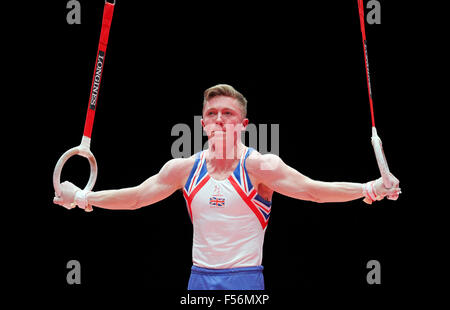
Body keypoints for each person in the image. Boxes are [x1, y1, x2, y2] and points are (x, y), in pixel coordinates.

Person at [53, 84, 401, 290]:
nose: (220, 119)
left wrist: (369, 187)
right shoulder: (183, 168)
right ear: (203, 123)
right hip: (197, 279)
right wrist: (84, 197)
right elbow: (136, 198)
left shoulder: (260, 166)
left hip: (246, 280)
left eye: (228, 114)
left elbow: (313, 190)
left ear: (244, 124)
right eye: (213, 114)